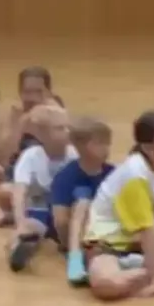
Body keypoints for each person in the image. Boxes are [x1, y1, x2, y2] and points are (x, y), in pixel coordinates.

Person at [83, 111, 154, 301]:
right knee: (107, 285)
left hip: (142, 246)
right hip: (109, 247)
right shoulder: (134, 175)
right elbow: (146, 229)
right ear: (147, 146)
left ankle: (145, 267)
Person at [7, 107, 78, 273]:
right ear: (41, 135)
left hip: (65, 213)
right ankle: (17, 249)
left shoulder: (74, 155)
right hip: (39, 211)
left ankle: (69, 245)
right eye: (60, 128)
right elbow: (19, 193)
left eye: (68, 127)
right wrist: (20, 223)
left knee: (73, 226)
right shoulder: (30, 157)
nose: (67, 132)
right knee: (29, 229)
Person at [50, 117, 116, 286]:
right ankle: (75, 259)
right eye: (100, 143)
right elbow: (61, 220)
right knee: (83, 202)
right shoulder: (66, 176)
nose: (106, 148)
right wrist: (69, 244)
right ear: (83, 147)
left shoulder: (113, 173)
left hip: (106, 232)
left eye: (107, 143)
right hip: (78, 235)